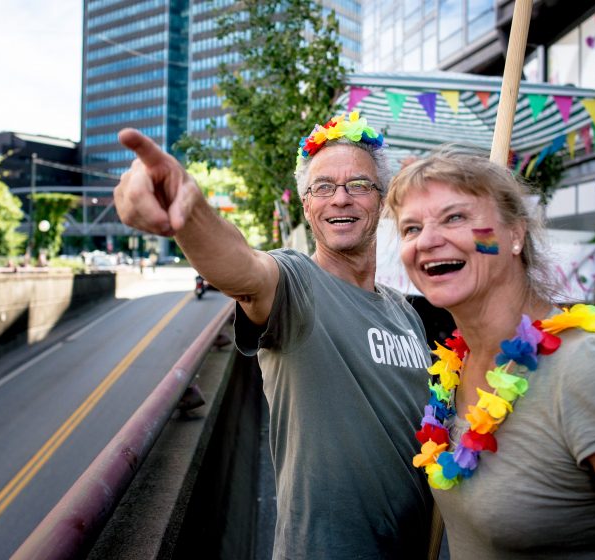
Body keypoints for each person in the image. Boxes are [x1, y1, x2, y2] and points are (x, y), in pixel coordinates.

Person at [114, 111, 435, 558]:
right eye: (323, 187)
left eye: (358, 185)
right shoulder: (296, 284)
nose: (340, 199)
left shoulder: (406, 313)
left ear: (380, 201)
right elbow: (242, 267)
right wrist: (187, 211)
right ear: (307, 204)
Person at [385, 148, 595, 559]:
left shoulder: (592, 370)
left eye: (455, 217)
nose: (426, 240)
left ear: (515, 234)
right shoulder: (457, 367)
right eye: (411, 229)